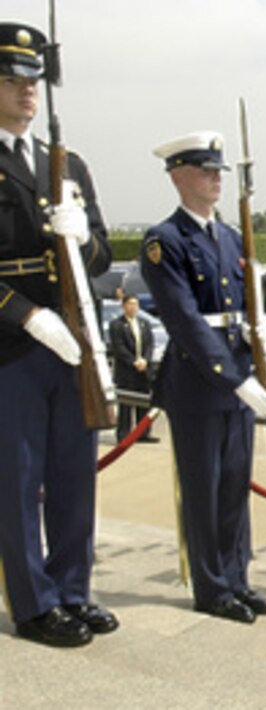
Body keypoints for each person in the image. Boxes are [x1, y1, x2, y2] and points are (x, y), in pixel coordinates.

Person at [0, 21, 118, 647]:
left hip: (73, 341)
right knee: (19, 480)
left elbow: (99, 256)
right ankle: (34, 603)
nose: (27, 93)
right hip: (15, 345)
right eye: (14, 80)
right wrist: (27, 315)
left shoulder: (66, 164)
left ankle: (73, 588)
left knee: (76, 472)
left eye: (33, 81)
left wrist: (80, 234)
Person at [141, 131, 266, 624]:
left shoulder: (230, 237)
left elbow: (241, 306)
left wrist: (261, 330)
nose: (216, 178)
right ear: (179, 177)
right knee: (205, 488)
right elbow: (184, 319)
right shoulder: (165, 240)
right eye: (205, 170)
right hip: (200, 382)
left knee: (235, 486)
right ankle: (211, 587)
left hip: (238, 372)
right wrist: (231, 376)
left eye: (218, 170)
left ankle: (237, 578)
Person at [109, 293, 157, 443]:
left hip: (143, 369)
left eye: (135, 304)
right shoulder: (117, 325)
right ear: (123, 306)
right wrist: (133, 361)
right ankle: (123, 434)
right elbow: (119, 347)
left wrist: (145, 360)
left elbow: (150, 344)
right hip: (127, 370)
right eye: (130, 304)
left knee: (143, 403)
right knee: (126, 404)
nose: (133, 307)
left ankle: (143, 433)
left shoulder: (144, 323)